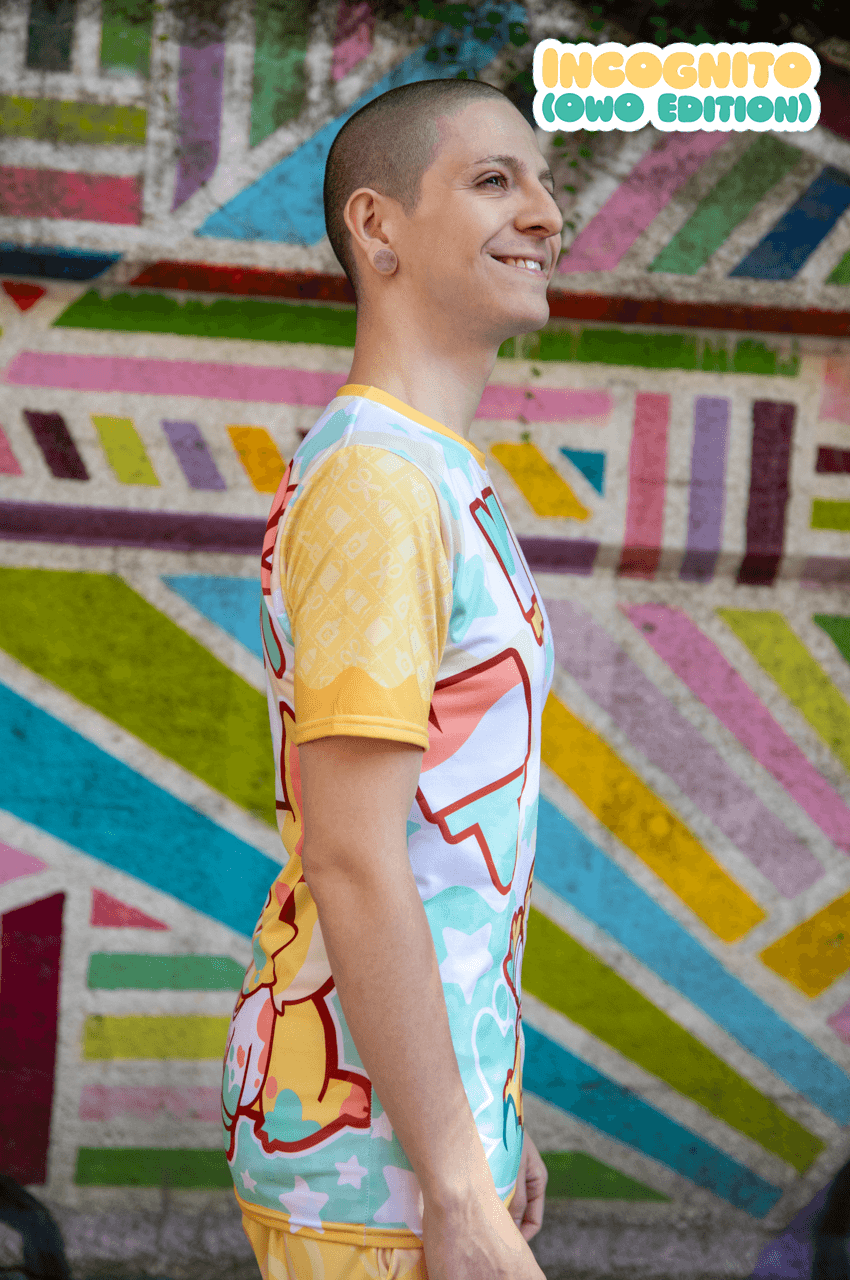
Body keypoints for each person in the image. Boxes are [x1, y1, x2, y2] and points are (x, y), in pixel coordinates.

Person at [221, 76, 563, 1280]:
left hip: (413, 1138)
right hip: (365, 1166)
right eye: (494, 179)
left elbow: (446, 845)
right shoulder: (379, 482)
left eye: (543, 182)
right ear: (377, 227)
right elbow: (355, 854)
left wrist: (487, 1112)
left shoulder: (436, 472)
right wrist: (455, 1182)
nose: (546, 212)